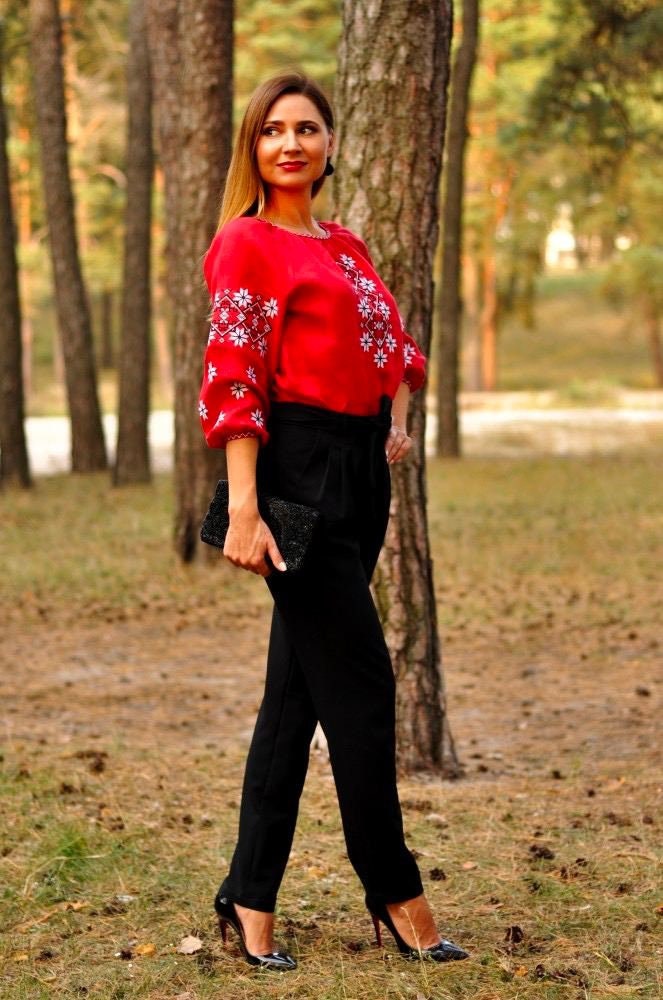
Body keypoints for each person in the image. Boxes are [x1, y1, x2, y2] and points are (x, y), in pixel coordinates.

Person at [198, 72, 469, 971]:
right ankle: (393, 888)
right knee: (361, 685)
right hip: (294, 476)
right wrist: (244, 506)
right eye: (272, 130)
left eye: (306, 128)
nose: (290, 143)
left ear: (330, 144)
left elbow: (397, 347)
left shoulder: (344, 244)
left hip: (360, 474)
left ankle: (249, 895)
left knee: (296, 697)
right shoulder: (246, 243)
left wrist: (394, 417)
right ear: (253, 147)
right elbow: (234, 375)